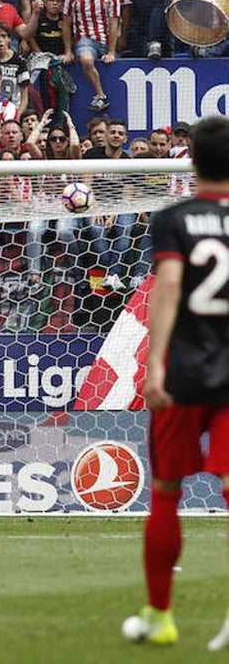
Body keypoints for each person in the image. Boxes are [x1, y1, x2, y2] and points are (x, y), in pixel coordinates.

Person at [129, 115, 229, 649]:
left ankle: (159, 616)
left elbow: (168, 286)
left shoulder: (175, 219)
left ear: (192, 161)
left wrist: (156, 364)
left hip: (186, 370)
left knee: (166, 491)